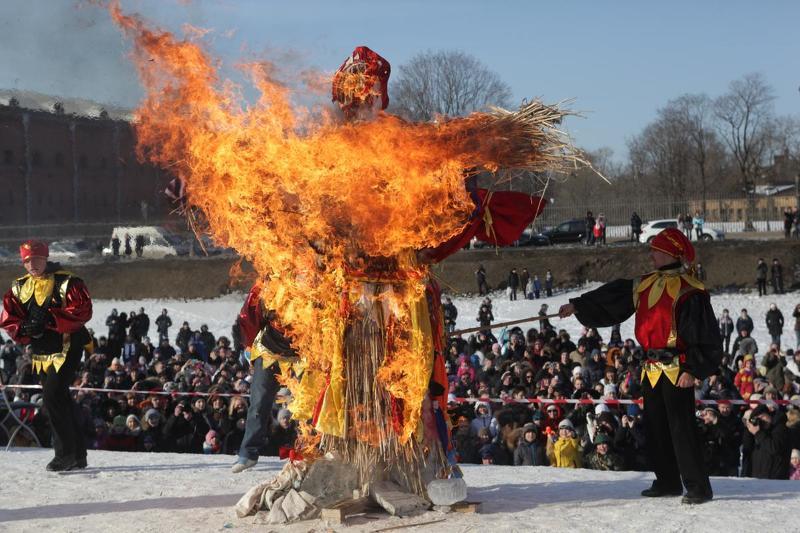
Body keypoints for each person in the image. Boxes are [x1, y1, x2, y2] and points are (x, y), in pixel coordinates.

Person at [559, 228, 721, 504]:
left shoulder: (689, 290)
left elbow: (702, 333)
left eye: (656, 250)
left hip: (677, 368)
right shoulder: (644, 284)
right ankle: (667, 480)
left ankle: (697, 487)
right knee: (656, 428)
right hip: (651, 368)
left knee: (682, 429)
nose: (651, 254)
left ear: (669, 253)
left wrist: (693, 369)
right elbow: (613, 296)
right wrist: (578, 306)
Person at [0, 240, 93, 471]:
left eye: (37, 259)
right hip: (42, 353)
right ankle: (78, 454)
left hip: (68, 346)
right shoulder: (19, 287)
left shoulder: (67, 281)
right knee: (60, 397)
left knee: (52, 395)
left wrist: (50, 320)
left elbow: (83, 310)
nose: (33, 264)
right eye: (28, 261)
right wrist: (24, 329)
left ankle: (65, 454)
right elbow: (9, 317)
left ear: (46, 258)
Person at [231, 284, 293, 473]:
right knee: (259, 403)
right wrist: (247, 347)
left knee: (307, 407)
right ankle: (248, 454)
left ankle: (308, 452)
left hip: (300, 354)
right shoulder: (267, 287)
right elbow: (249, 318)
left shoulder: (308, 284)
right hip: (269, 352)